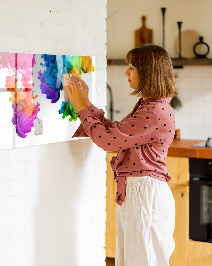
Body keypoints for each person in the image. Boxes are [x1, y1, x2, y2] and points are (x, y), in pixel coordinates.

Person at [65, 44, 177, 266]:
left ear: (148, 72)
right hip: (140, 193)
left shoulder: (154, 111)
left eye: (132, 67)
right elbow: (116, 133)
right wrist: (86, 103)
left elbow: (108, 141)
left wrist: (80, 108)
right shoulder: (150, 106)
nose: (126, 72)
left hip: (145, 195)